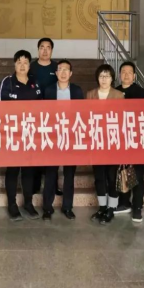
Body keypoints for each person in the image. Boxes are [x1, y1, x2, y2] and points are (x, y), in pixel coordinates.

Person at [0, 50, 43, 221]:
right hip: (13, 134)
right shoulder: (8, 82)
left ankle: (28, 203)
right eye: (19, 62)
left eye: (25, 62)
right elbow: (1, 108)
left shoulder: (35, 82)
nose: (22, 65)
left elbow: (42, 108)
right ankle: (12, 204)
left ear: (29, 65)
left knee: (28, 170)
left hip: (31, 134)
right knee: (12, 170)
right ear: (14, 64)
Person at [42, 60, 84, 221]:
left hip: (71, 138)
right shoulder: (49, 91)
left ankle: (67, 207)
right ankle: (47, 207)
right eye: (60, 69)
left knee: (69, 174)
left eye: (67, 70)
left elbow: (82, 114)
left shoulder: (77, 91)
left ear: (71, 73)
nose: (64, 72)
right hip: (53, 137)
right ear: (56, 73)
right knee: (50, 174)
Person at [88, 64, 125, 225]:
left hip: (113, 141)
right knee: (99, 176)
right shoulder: (90, 94)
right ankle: (102, 207)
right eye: (101, 76)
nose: (104, 79)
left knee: (112, 176)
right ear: (97, 78)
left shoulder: (118, 95)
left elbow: (122, 117)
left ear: (112, 78)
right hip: (96, 141)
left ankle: (111, 208)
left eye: (107, 76)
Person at [115, 61, 144, 224]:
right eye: (123, 72)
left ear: (134, 76)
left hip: (136, 138)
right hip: (119, 138)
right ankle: (124, 202)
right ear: (119, 75)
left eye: (129, 72)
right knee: (123, 171)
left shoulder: (141, 93)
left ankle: (137, 206)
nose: (126, 75)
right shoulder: (114, 92)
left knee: (137, 174)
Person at [29, 38, 61, 196]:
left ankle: (53, 186)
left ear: (52, 50)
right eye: (42, 47)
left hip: (53, 116)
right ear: (38, 50)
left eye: (48, 47)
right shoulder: (31, 67)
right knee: (35, 149)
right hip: (34, 115)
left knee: (52, 151)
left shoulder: (57, 67)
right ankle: (34, 185)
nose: (45, 50)